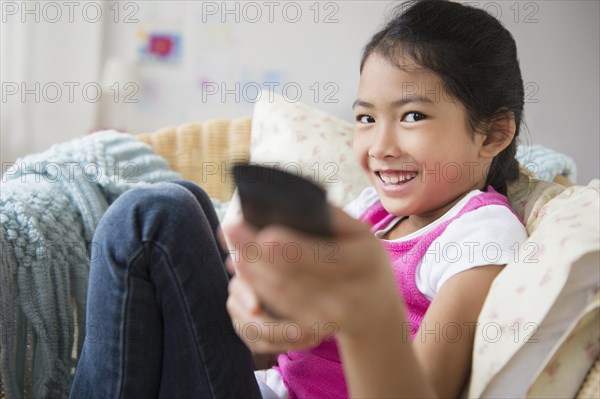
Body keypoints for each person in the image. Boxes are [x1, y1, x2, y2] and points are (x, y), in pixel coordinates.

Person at [69, 0, 528, 397]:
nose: (380, 146)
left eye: (412, 115)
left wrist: (364, 314)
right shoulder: (370, 212)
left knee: (153, 218)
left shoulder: (479, 236)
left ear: (493, 133)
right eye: (366, 118)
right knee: (184, 203)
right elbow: (272, 352)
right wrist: (260, 323)